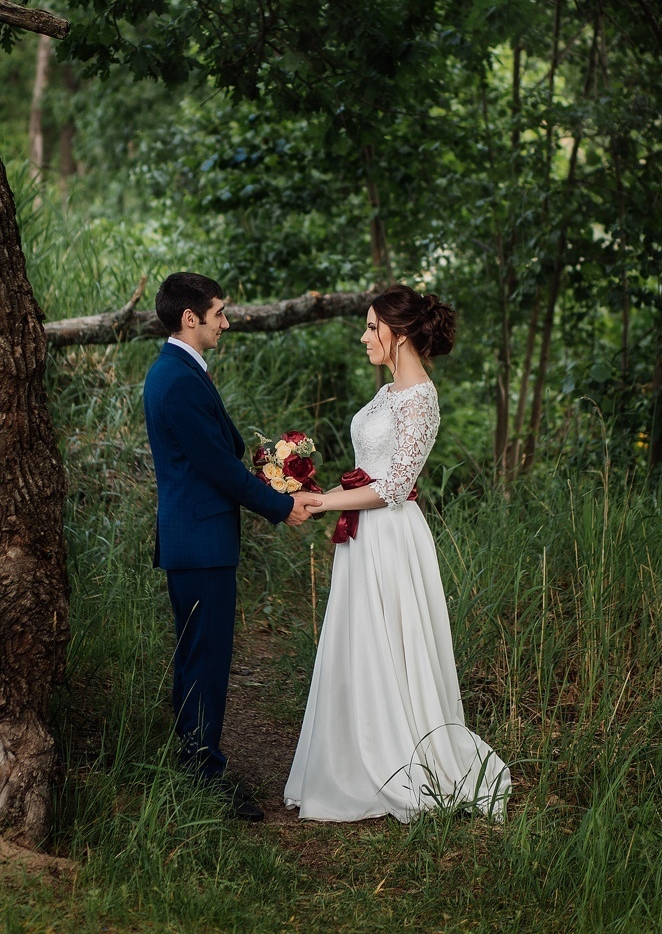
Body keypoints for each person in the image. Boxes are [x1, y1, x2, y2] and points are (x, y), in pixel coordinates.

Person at [284, 284, 511, 823]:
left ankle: (399, 755)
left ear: (399, 332)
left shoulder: (419, 398)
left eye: (370, 327)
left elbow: (394, 484)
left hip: (390, 535)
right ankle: (350, 756)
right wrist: (313, 484)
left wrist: (319, 501)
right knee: (360, 639)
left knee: (393, 640)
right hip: (364, 534)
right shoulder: (388, 394)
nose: (364, 336)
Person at [144, 272, 320, 820]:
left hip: (201, 539)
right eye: (219, 312)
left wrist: (270, 472)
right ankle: (203, 777)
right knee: (205, 660)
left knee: (202, 656)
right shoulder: (174, 380)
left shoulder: (181, 372)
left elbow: (223, 454)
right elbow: (216, 467)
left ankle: (196, 763)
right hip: (199, 542)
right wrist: (281, 505)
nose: (226, 321)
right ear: (190, 318)